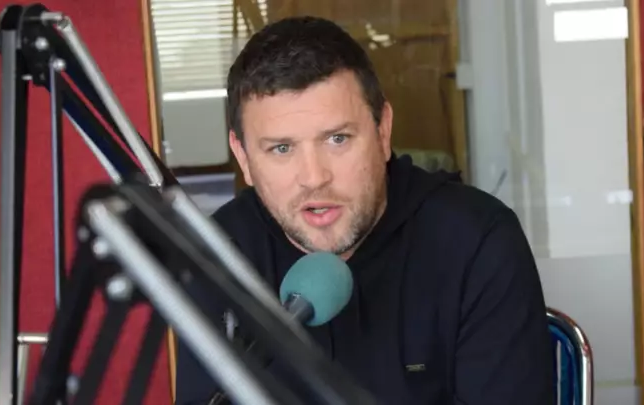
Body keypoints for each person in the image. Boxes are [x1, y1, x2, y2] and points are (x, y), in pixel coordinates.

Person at [175, 16, 554, 405]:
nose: (314, 178)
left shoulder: (476, 241)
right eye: (282, 149)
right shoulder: (216, 255)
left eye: (337, 139)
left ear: (383, 131)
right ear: (242, 156)